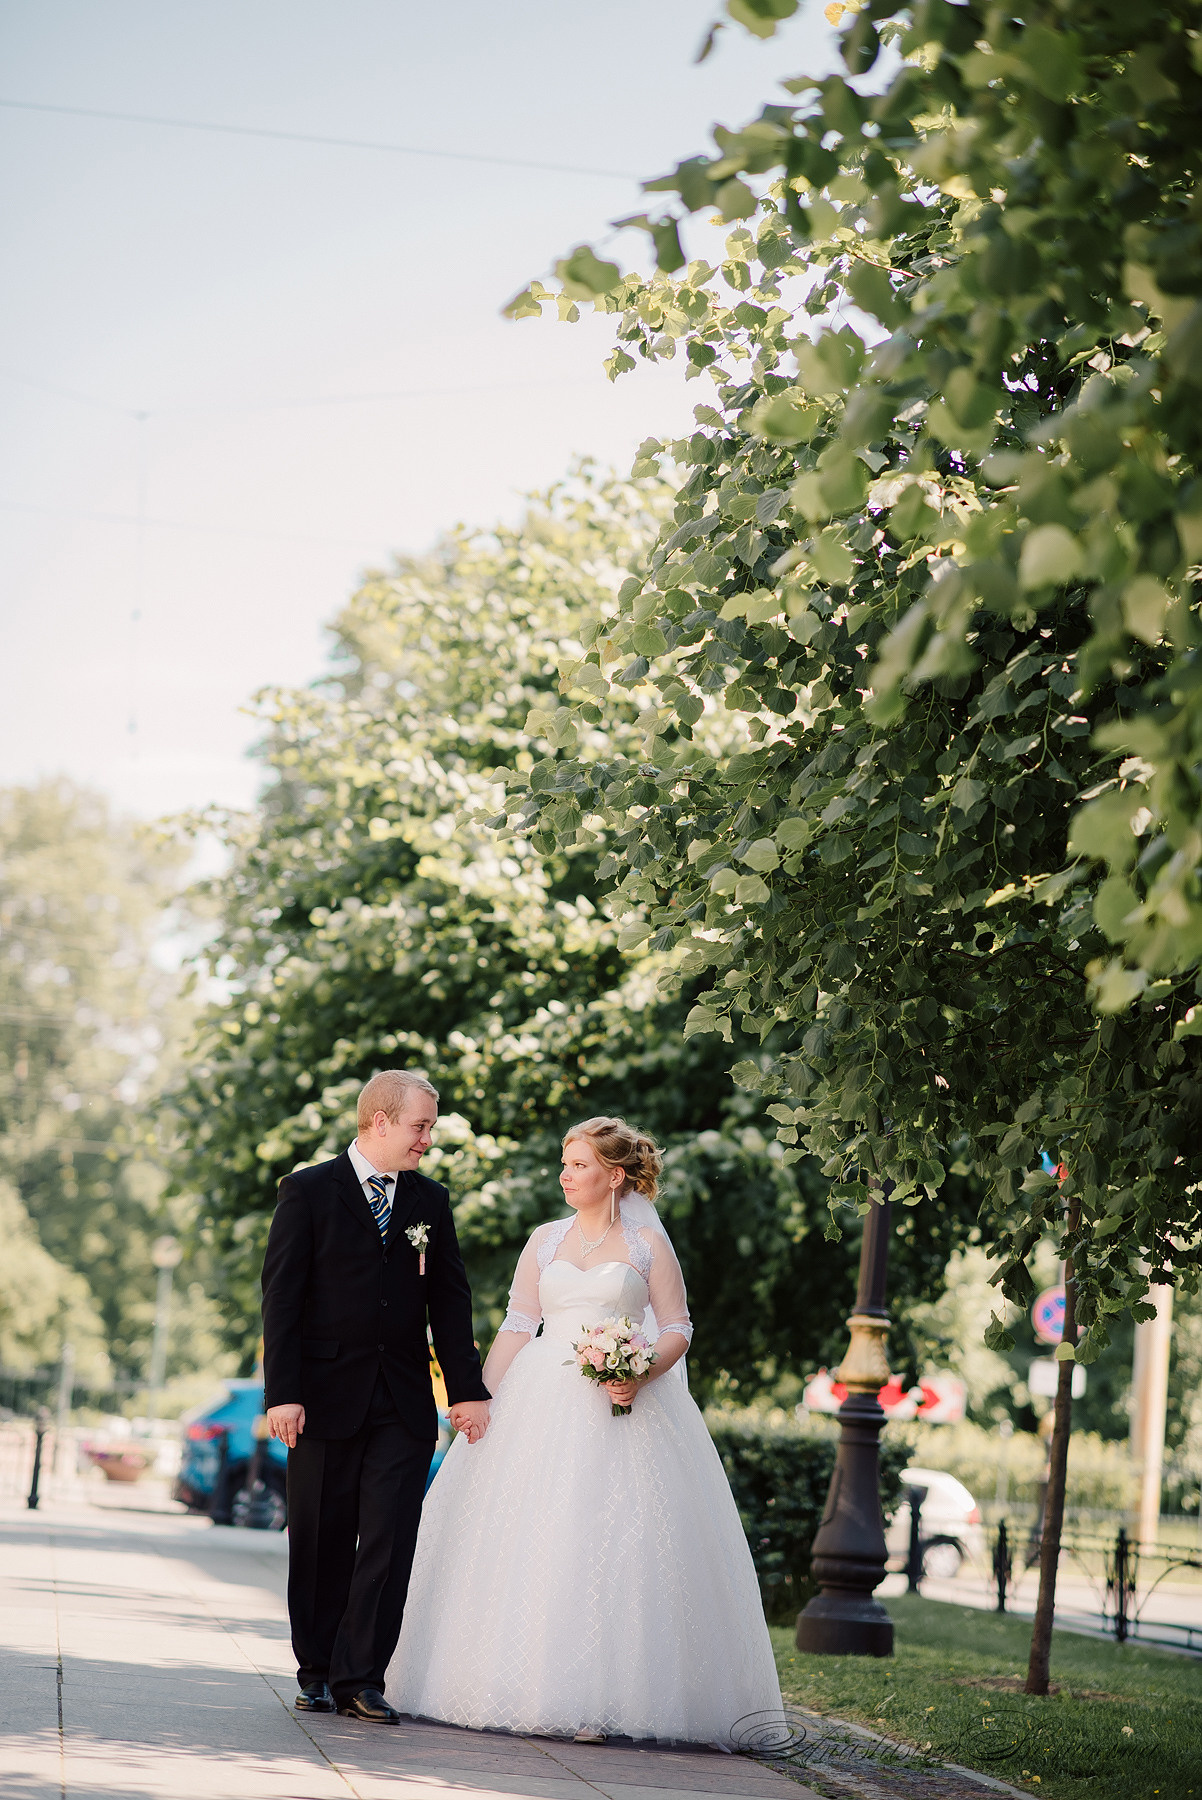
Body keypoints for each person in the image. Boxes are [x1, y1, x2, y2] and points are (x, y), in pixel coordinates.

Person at [386, 1116, 782, 1747]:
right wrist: (476, 1399)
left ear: (614, 1176)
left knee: (613, 1536)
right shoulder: (544, 1240)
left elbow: (678, 1327)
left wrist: (641, 1372)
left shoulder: (649, 1245)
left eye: (579, 1166)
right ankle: (496, 1681)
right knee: (527, 1534)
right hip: (538, 1395)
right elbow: (519, 1323)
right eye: (564, 1165)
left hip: (620, 1405)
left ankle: (600, 1696)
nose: (566, 1176)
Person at [261, 1069, 490, 1724]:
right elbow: (281, 1300)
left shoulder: (430, 1202)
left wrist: (467, 1390)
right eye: (421, 1127)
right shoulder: (307, 1192)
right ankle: (318, 1669)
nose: (427, 1141)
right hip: (321, 1400)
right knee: (321, 1537)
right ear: (380, 1121)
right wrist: (284, 1393)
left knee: (389, 1539)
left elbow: (450, 1302)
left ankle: (363, 1676)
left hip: (402, 1403)